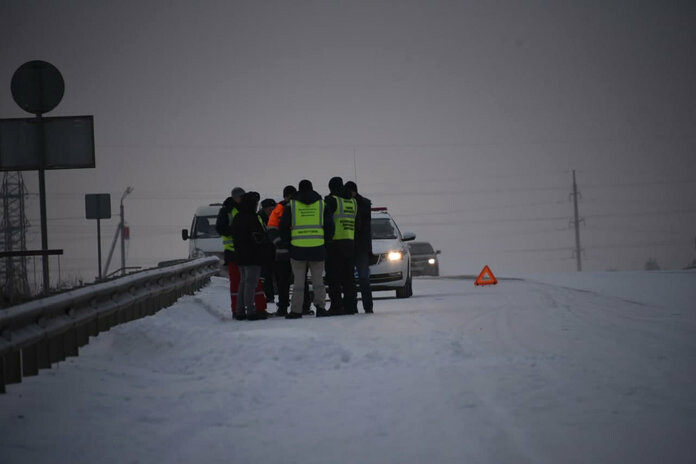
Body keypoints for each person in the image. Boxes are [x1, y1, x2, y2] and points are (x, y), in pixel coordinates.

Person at [279, 179, 334, 318]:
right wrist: (324, 241)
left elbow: (283, 227)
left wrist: (287, 242)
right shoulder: (322, 204)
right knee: (318, 281)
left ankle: (296, 310)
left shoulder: (291, 205)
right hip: (318, 248)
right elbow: (330, 226)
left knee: (298, 282)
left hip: (297, 249)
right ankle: (321, 308)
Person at [231, 192, 270, 321]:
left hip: (240, 255)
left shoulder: (237, 217)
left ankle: (240, 311)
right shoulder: (252, 218)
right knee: (250, 284)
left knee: (243, 283)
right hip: (252, 256)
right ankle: (251, 311)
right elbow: (258, 236)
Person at [324, 177, 357, 315]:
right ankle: (350, 306)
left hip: (335, 243)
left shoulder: (332, 200)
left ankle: (337, 307)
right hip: (350, 242)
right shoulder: (352, 201)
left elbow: (326, 221)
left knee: (334, 278)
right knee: (348, 278)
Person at [215, 186, 244, 316]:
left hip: (245, 251)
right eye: (239, 197)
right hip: (232, 252)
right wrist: (235, 230)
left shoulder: (245, 208)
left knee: (248, 282)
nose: (241, 199)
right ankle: (236, 310)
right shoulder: (226, 210)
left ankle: (246, 308)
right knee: (236, 283)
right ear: (234, 197)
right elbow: (220, 228)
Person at [345, 181, 373, 313]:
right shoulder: (363, 203)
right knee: (354, 278)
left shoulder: (361, 204)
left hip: (358, 246)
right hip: (354, 246)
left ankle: (366, 307)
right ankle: (355, 306)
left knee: (361, 278)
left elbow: (362, 226)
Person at [259, 198, 277, 304]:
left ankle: (281, 296)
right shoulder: (260, 218)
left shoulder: (279, 216)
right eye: (269, 209)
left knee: (280, 275)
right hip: (265, 251)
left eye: (273, 209)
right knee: (267, 275)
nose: (271, 211)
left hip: (278, 250)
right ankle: (269, 296)